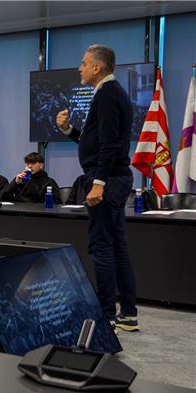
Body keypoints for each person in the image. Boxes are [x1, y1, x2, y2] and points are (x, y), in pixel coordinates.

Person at [56, 44, 138, 331]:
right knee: (117, 246)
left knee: (101, 246)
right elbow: (95, 141)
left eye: (83, 63)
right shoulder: (110, 93)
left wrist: (98, 183)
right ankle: (127, 313)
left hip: (107, 179)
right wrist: (68, 130)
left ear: (97, 67)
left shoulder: (106, 94)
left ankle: (106, 316)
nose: (79, 68)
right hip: (115, 177)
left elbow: (108, 146)